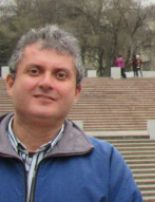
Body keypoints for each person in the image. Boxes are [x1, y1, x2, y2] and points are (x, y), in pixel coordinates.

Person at [1, 25, 142, 201]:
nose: (46, 83)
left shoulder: (106, 164)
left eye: (60, 75)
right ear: (10, 83)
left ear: (76, 92)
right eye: (34, 71)